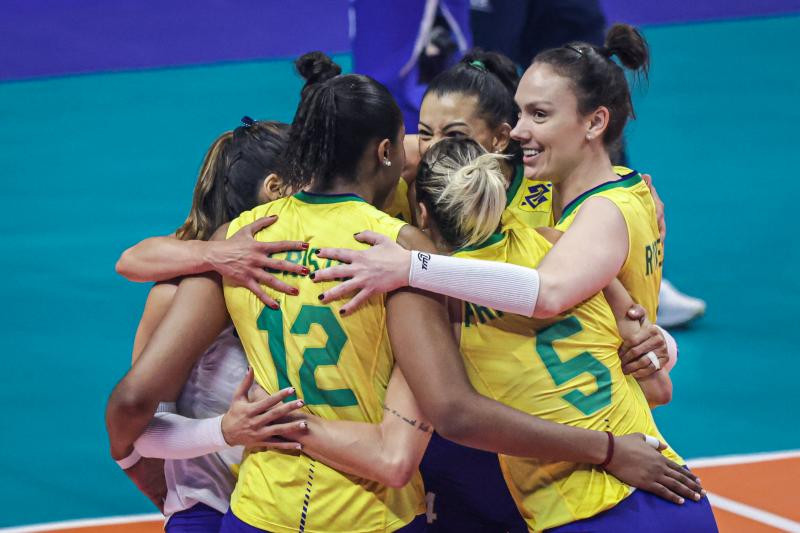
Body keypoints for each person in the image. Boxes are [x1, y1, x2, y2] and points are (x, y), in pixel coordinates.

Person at [107, 50, 703, 533]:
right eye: (423, 132)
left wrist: (653, 343)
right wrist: (212, 254)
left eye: (452, 134)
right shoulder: (467, 220)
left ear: (498, 140)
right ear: (393, 149)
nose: (433, 147)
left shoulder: (485, 227)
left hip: (478, 458)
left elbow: (639, 359)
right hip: (429, 472)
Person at [412, 137, 716, 531]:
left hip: (582, 515)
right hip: (675, 493)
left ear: (423, 214)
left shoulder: (439, 304)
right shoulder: (559, 245)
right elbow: (658, 387)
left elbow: (455, 416)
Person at [108, 119, 310, 532]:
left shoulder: (306, 275)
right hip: (212, 510)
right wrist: (224, 431)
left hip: (293, 505)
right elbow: (140, 424)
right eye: (308, 180)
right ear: (274, 187)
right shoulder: (180, 294)